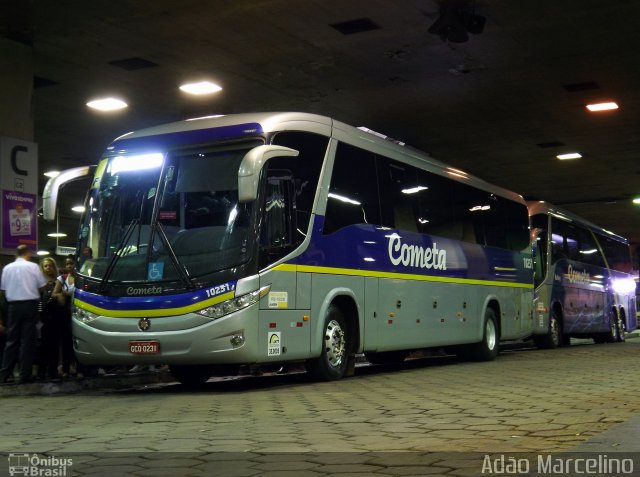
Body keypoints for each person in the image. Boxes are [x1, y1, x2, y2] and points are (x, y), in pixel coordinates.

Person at [0, 245, 47, 384]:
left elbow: (3, 289)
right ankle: (24, 374)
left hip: (13, 306)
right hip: (30, 306)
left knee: (11, 340)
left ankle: (4, 374)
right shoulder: (33, 267)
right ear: (27, 253)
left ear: (16, 254)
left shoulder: (7, 268)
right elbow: (42, 287)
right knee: (27, 341)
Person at [52, 255, 77, 378]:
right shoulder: (62, 278)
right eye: (67, 264)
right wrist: (63, 294)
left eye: (71, 263)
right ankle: (66, 369)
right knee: (67, 341)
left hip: (80, 314)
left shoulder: (81, 278)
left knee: (80, 342)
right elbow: (54, 293)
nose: (69, 266)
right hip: (66, 314)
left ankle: (80, 369)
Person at [37, 257, 61, 380]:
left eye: (50, 266)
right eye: (45, 266)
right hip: (42, 318)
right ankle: (41, 372)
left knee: (54, 345)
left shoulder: (59, 281)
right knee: (42, 346)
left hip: (56, 317)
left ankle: (53, 371)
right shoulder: (39, 283)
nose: (48, 268)